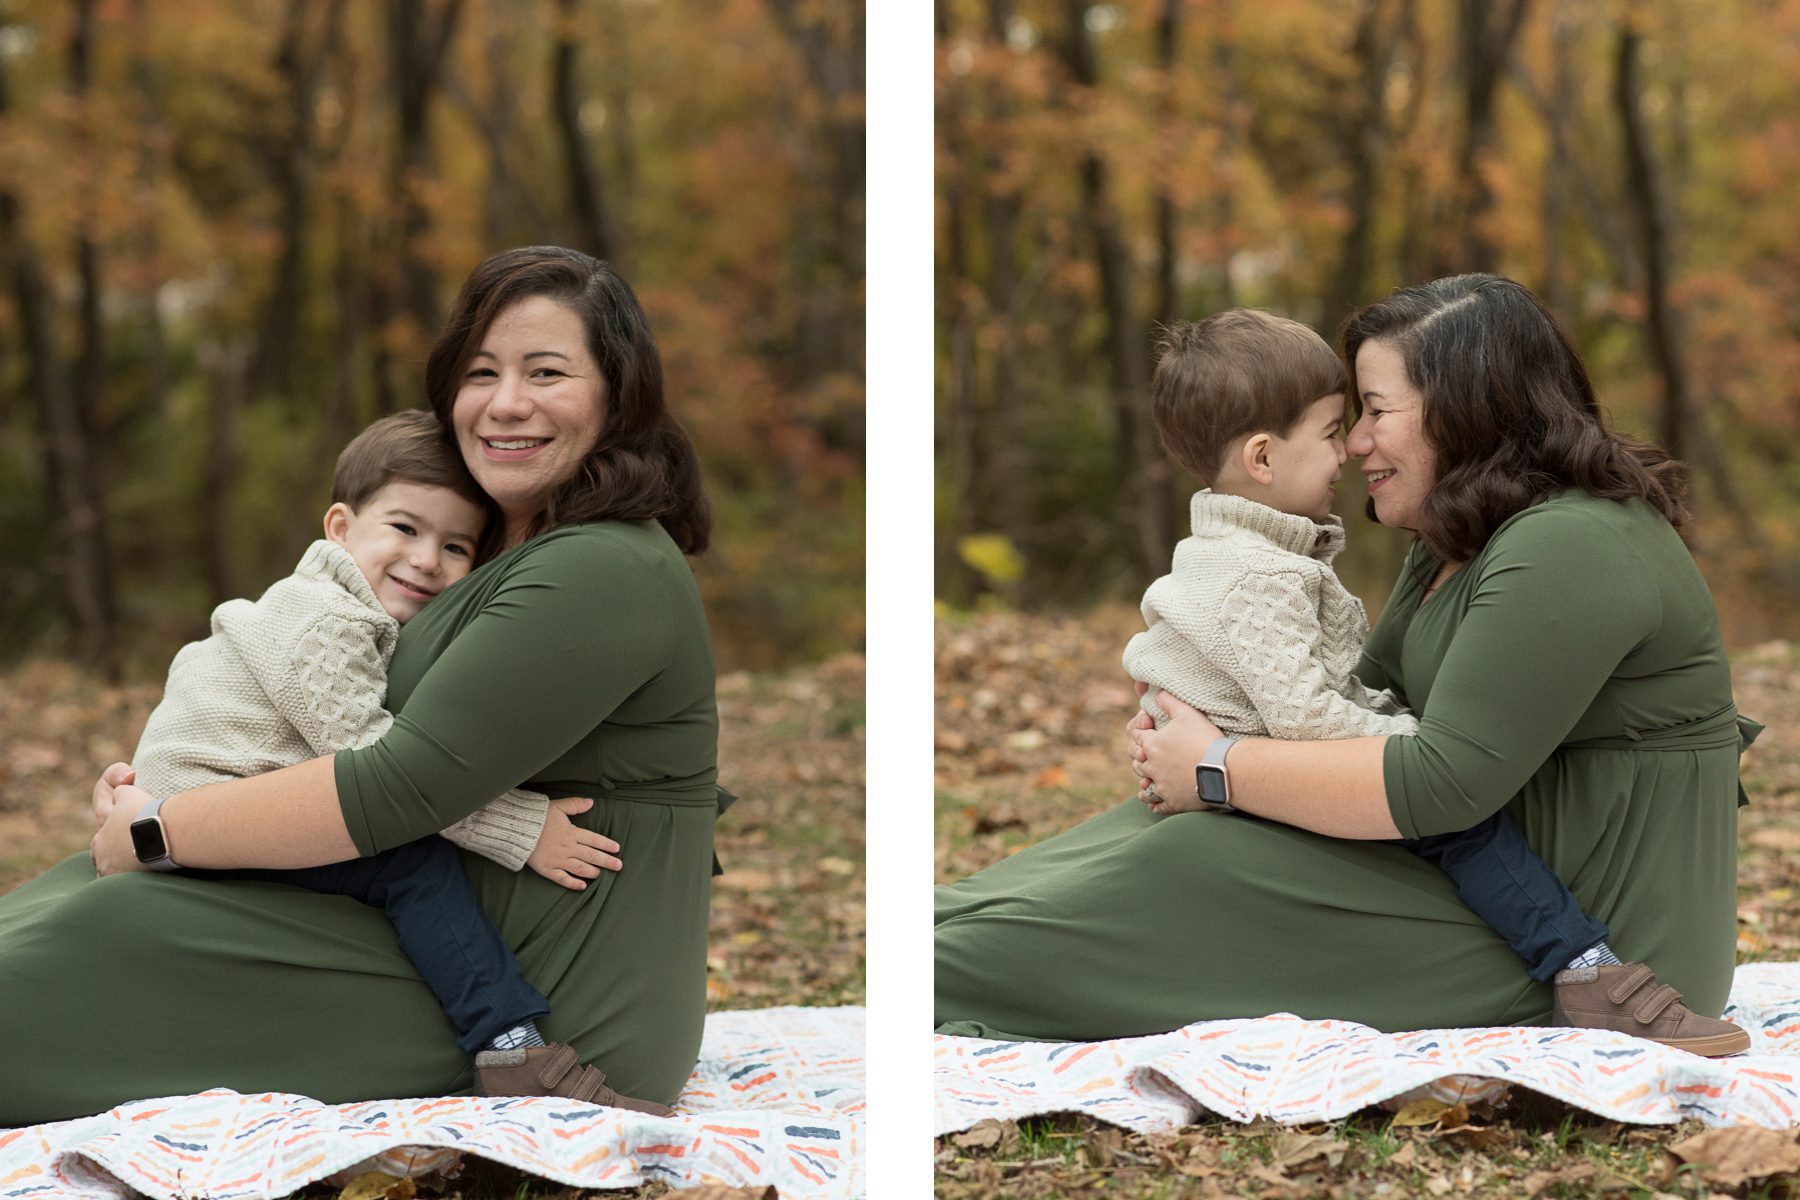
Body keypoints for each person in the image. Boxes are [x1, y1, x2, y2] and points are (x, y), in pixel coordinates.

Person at [0, 246, 723, 1125]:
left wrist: (159, 830)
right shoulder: (495, 551)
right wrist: (161, 790)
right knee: (66, 903)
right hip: (416, 930)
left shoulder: (602, 567)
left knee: (84, 948)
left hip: (546, 1000)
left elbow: (396, 785)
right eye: (481, 371)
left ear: (620, 393)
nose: (506, 402)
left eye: (546, 372)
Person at [936, 274, 1755, 1050]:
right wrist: (1201, 731)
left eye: (1373, 410)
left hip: (1595, 940)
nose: (1356, 441)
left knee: (1195, 857)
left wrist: (1218, 765)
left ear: (1466, 410)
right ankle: (936, 927)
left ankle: (939, 970)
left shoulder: (1572, 544)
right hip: (1469, 878)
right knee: (1152, 842)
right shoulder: (1459, 540)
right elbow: (1368, 704)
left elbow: (1441, 782)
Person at [123, 408, 667, 1109]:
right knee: (413, 866)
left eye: (456, 547)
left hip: (217, 800)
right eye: (405, 529)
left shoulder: (335, 610)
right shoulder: (325, 621)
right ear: (340, 528)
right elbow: (380, 767)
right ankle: (510, 1046)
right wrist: (519, 829)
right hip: (212, 813)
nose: (425, 559)